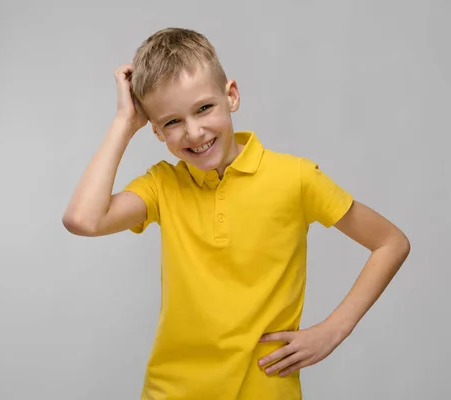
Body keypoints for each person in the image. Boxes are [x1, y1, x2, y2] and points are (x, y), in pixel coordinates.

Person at [62, 27, 411, 400]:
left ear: (231, 95)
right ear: (156, 131)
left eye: (204, 108)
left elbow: (391, 243)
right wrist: (122, 123)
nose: (194, 133)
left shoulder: (294, 178)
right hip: (169, 392)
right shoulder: (163, 186)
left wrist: (333, 330)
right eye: (172, 122)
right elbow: (84, 219)